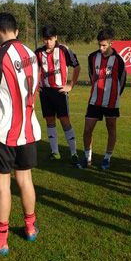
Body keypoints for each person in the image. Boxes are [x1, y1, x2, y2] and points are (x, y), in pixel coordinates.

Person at [0, 12, 41, 255]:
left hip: (3, 130)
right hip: (29, 128)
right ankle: (30, 228)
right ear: (17, 31)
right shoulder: (32, 54)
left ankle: (0, 242)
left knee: (2, 185)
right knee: (25, 179)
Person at [79, 28, 126, 170]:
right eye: (99, 45)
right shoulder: (92, 57)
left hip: (111, 101)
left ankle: (107, 159)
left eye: (104, 45)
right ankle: (87, 158)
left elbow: (122, 82)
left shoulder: (118, 60)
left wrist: (115, 96)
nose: (101, 48)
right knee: (88, 129)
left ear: (111, 43)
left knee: (111, 128)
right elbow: (92, 76)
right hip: (95, 100)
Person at [34, 25, 81, 164]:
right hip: (45, 92)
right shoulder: (38, 52)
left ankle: (74, 153)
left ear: (56, 38)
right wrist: (37, 84)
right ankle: (55, 153)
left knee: (65, 121)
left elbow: (77, 66)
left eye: (50, 39)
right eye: (45, 39)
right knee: (49, 121)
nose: (48, 42)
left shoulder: (63, 50)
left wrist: (70, 86)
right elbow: (35, 69)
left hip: (60, 91)